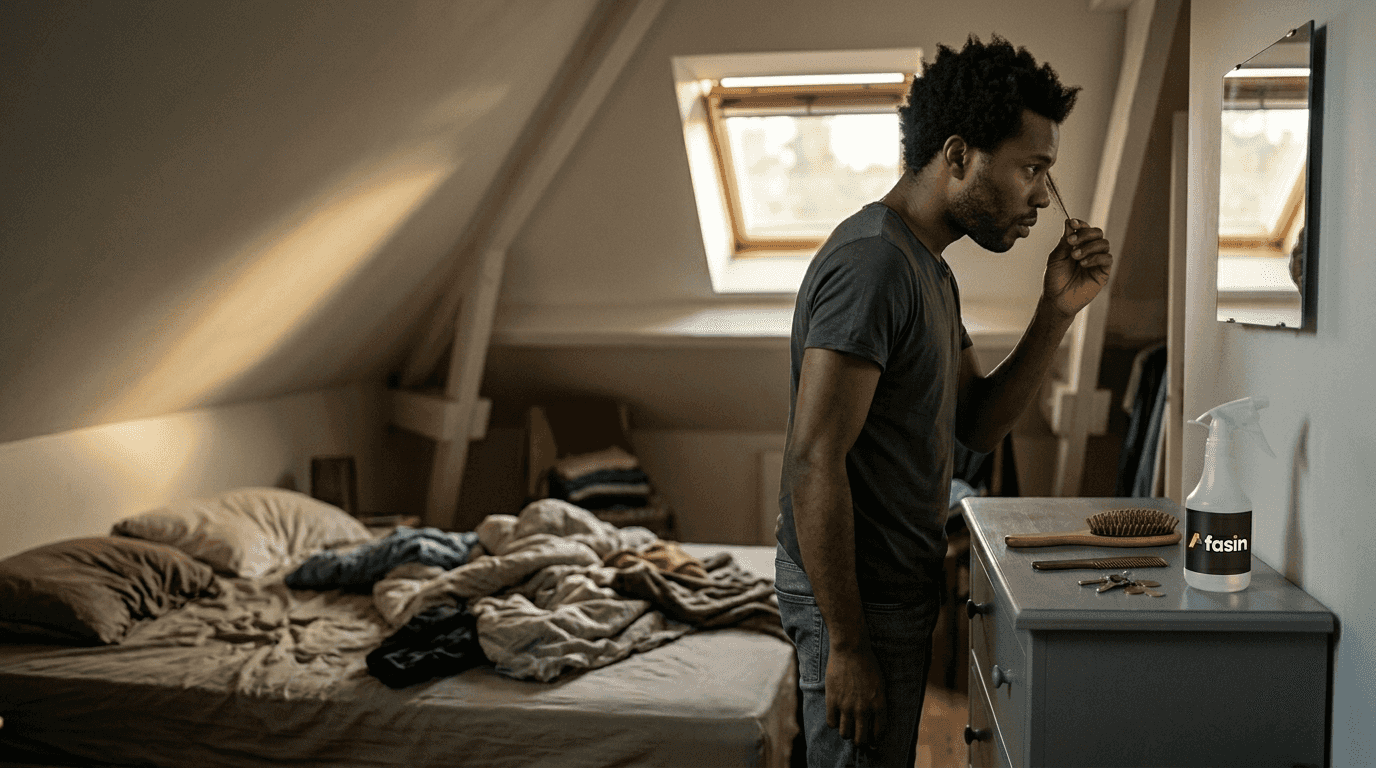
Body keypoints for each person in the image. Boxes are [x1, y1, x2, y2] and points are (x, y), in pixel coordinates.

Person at [774, 34, 1113, 767]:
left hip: (891, 596)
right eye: (1032, 169)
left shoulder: (927, 268)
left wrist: (1055, 313)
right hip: (855, 608)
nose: (1042, 197)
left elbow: (978, 426)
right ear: (958, 155)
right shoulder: (874, 267)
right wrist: (849, 646)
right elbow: (812, 460)